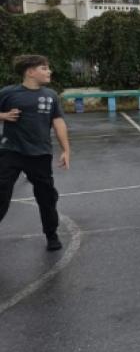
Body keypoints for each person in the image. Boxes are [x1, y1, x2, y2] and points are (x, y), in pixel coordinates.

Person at [0, 55, 71, 251]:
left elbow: (58, 122)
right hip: (11, 152)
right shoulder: (8, 93)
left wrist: (66, 149)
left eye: (48, 68)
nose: (49, 71)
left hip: (40, 154)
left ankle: (51, 235)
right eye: (44, 68)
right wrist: (3, 115)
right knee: (1, 194)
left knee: (46, 197)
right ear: (30, 72)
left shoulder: (51, 95)